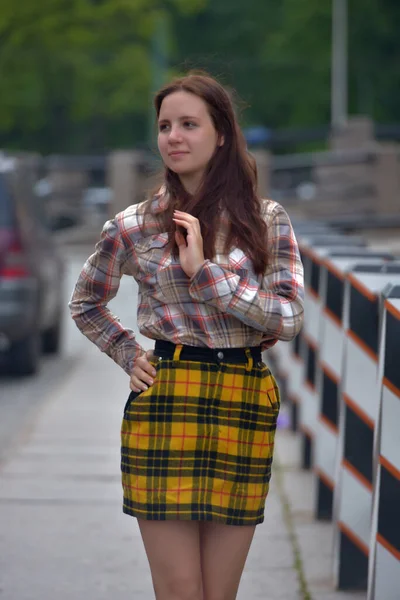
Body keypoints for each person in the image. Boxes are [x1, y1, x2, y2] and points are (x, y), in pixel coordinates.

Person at [69, 72, 304, 600]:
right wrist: (127, 351)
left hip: (242, 399)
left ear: (221, 134)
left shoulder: (266, 222)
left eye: (189, 124)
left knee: (219, 594)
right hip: (166, 401)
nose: (173, 136)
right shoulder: (134, 226)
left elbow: (288, 318)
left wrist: (207, 275)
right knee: (179, 591)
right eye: (165, 126)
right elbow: (85, 301)